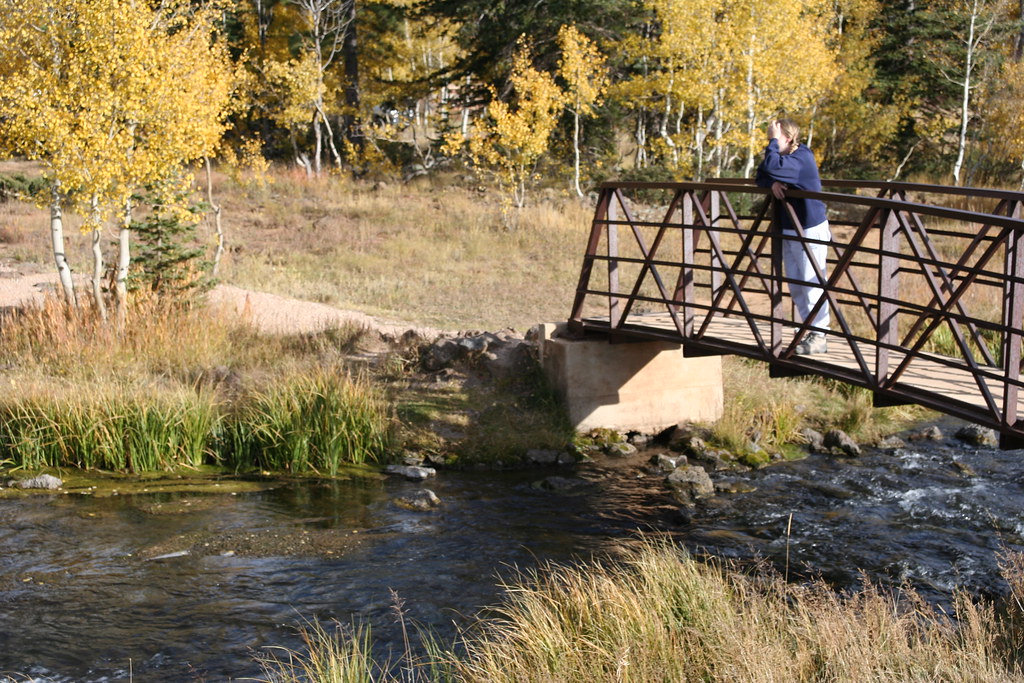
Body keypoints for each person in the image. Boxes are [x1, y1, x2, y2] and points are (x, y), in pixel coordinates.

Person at [755, 117, 831, 355]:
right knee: (797, 283)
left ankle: (819, 334)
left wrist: (772, 147)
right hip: (790, 227)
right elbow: (762, 173)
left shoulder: (801, 158)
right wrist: (773, 181)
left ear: (786, 139)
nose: (771, 144)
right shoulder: (786, 160)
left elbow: (773, 166)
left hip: (809, 228)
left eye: (776, 139)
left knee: (811, 282)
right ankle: (808, 330)